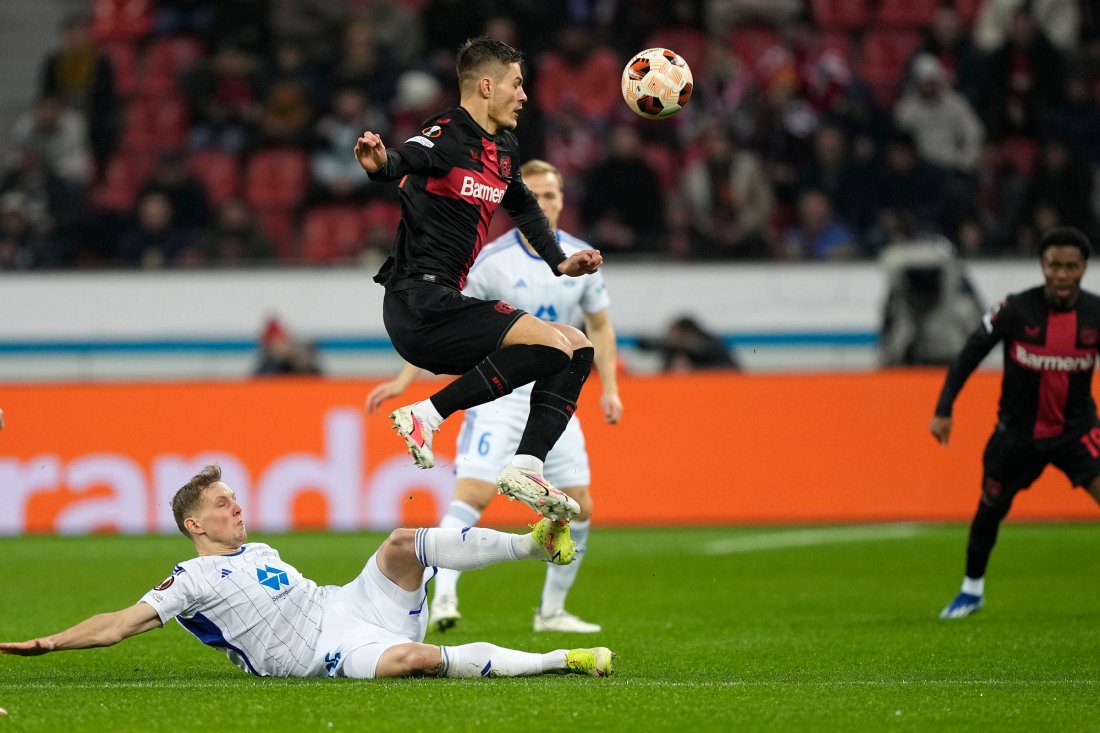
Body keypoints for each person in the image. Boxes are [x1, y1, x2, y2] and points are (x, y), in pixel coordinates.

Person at [0, 465, 615, 679]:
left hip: (348, 603)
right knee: (415, 659)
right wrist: (52, 642)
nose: (237, 508)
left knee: (402, 543)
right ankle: (563, 660)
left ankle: (534, 545)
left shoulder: (259, 550)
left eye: (235, 499)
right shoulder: (190, 580)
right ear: (194, 525)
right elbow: (119, 623)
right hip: (321, 651)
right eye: (222, 504)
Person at [366, 160, 622, 634]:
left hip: (554, 394)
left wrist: (610, 387)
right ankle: (444, 594)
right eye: (535, 196)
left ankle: (551, 611)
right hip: (500, 394)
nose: (546, 203)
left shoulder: (581, 256)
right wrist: (405, 379)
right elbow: (452, 321)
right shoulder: (492, 259)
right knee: (474, 494)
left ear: (563, 200)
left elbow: (600, 325)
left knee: (581, 504)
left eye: (552, 195)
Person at [353, 36, 603, 523]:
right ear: (487, 86)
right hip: (416, 300)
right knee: (551, 346)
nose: (524, 95)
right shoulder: (446, 133)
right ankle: (427, 414)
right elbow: (403, 159)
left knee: (576, 347)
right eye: (517, 84)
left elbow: (524, 206)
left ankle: (527, 467)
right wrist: (380, 164)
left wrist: (559, 262)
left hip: (443, 305)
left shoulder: (504, 148)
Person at [931, 227, 1100, 619]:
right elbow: (970, 353)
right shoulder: (1014, 309)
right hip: (1017, 436)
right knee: (991, 506)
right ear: (1042, 266)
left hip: (1076, 432)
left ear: (1083, 268)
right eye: (1054, 266)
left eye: (1071, 267)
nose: (1062, 275)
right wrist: (944, 408)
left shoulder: (1095, 314)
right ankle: (971, 590)